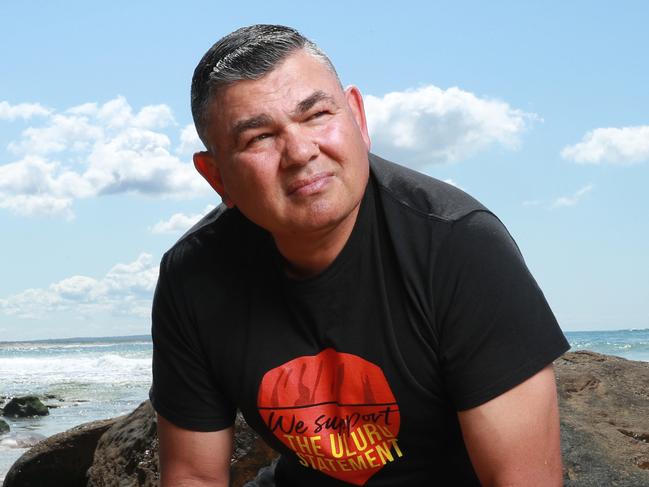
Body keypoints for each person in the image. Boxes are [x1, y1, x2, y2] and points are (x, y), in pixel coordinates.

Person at [150, 24, 570, 487]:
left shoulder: (459, 245)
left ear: (358, 117)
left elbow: (523, 479)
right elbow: (194, 475)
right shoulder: (192, 275)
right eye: (259, 138)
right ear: (217, 178)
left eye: (316, 116)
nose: (301, 152)